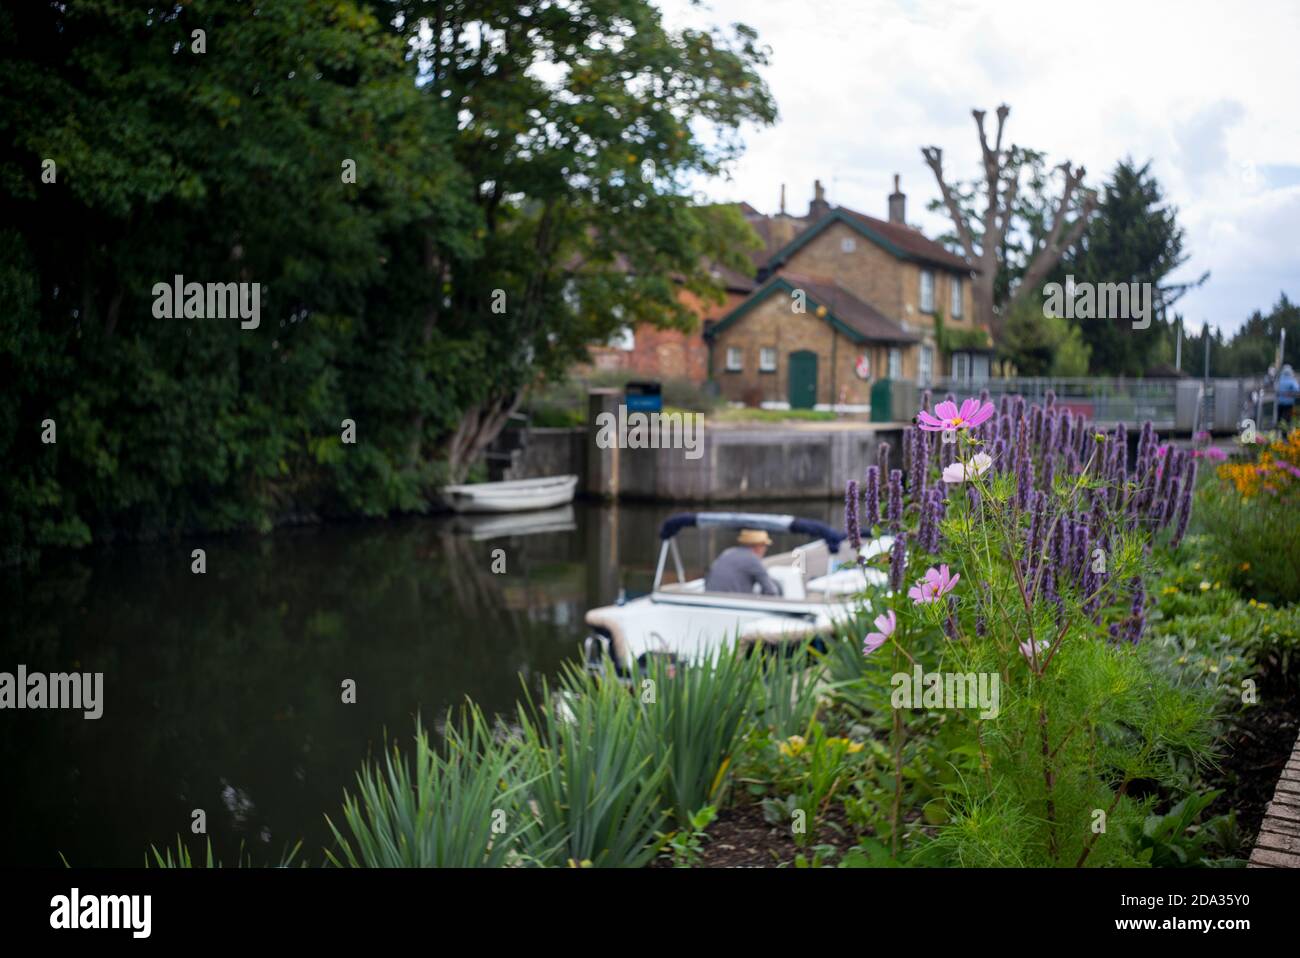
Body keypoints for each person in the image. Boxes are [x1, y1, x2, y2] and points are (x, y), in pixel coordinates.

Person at [704, 529, 784, 596]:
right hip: (734, 608)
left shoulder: (727, 552)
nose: (765, 549)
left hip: (711, 602)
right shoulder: (753, 560)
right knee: (777, 585)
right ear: (759, 546)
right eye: (765, 546)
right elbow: (771, 591)